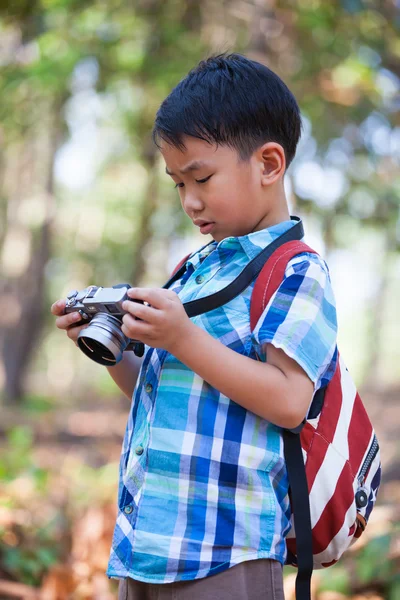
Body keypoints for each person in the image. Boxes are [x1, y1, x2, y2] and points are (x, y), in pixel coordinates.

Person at [51, 53, 338, 600]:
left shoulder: (296, 270)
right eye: (177, 184)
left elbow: (289, 401)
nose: (190, 201)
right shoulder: (196, 272)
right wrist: (111, 349)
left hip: (225, 550)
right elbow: (159, 391)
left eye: (201, 177)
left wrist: (183, 337)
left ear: (270, 164)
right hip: (147, 543)